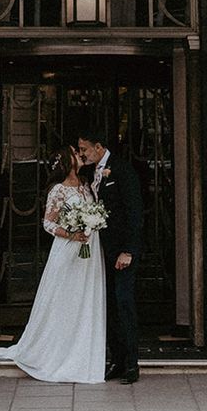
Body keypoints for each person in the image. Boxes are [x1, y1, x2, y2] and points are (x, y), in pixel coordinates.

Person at [0, 145, 106, 383]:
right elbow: (48, 224)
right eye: (75, 153)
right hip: (68, 250)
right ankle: (55, 353)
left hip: (89, 253)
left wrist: (92, 223)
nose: (80, 155)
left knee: (84, 301)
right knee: (63, 301)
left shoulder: (86, 184)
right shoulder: (58, 190)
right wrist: (72, 233)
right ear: (66, 161)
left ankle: (83, 351)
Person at [78, 131, 143, 385]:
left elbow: (134, 211)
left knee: (124, 302)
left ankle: (131, 364)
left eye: (84, 148)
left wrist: (129, 250)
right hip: (101, 252)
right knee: (109, 306)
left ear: (98, 146)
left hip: (122, 251)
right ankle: (116, 359)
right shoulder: (90, 173)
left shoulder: (122, 171)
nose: (82, 153)